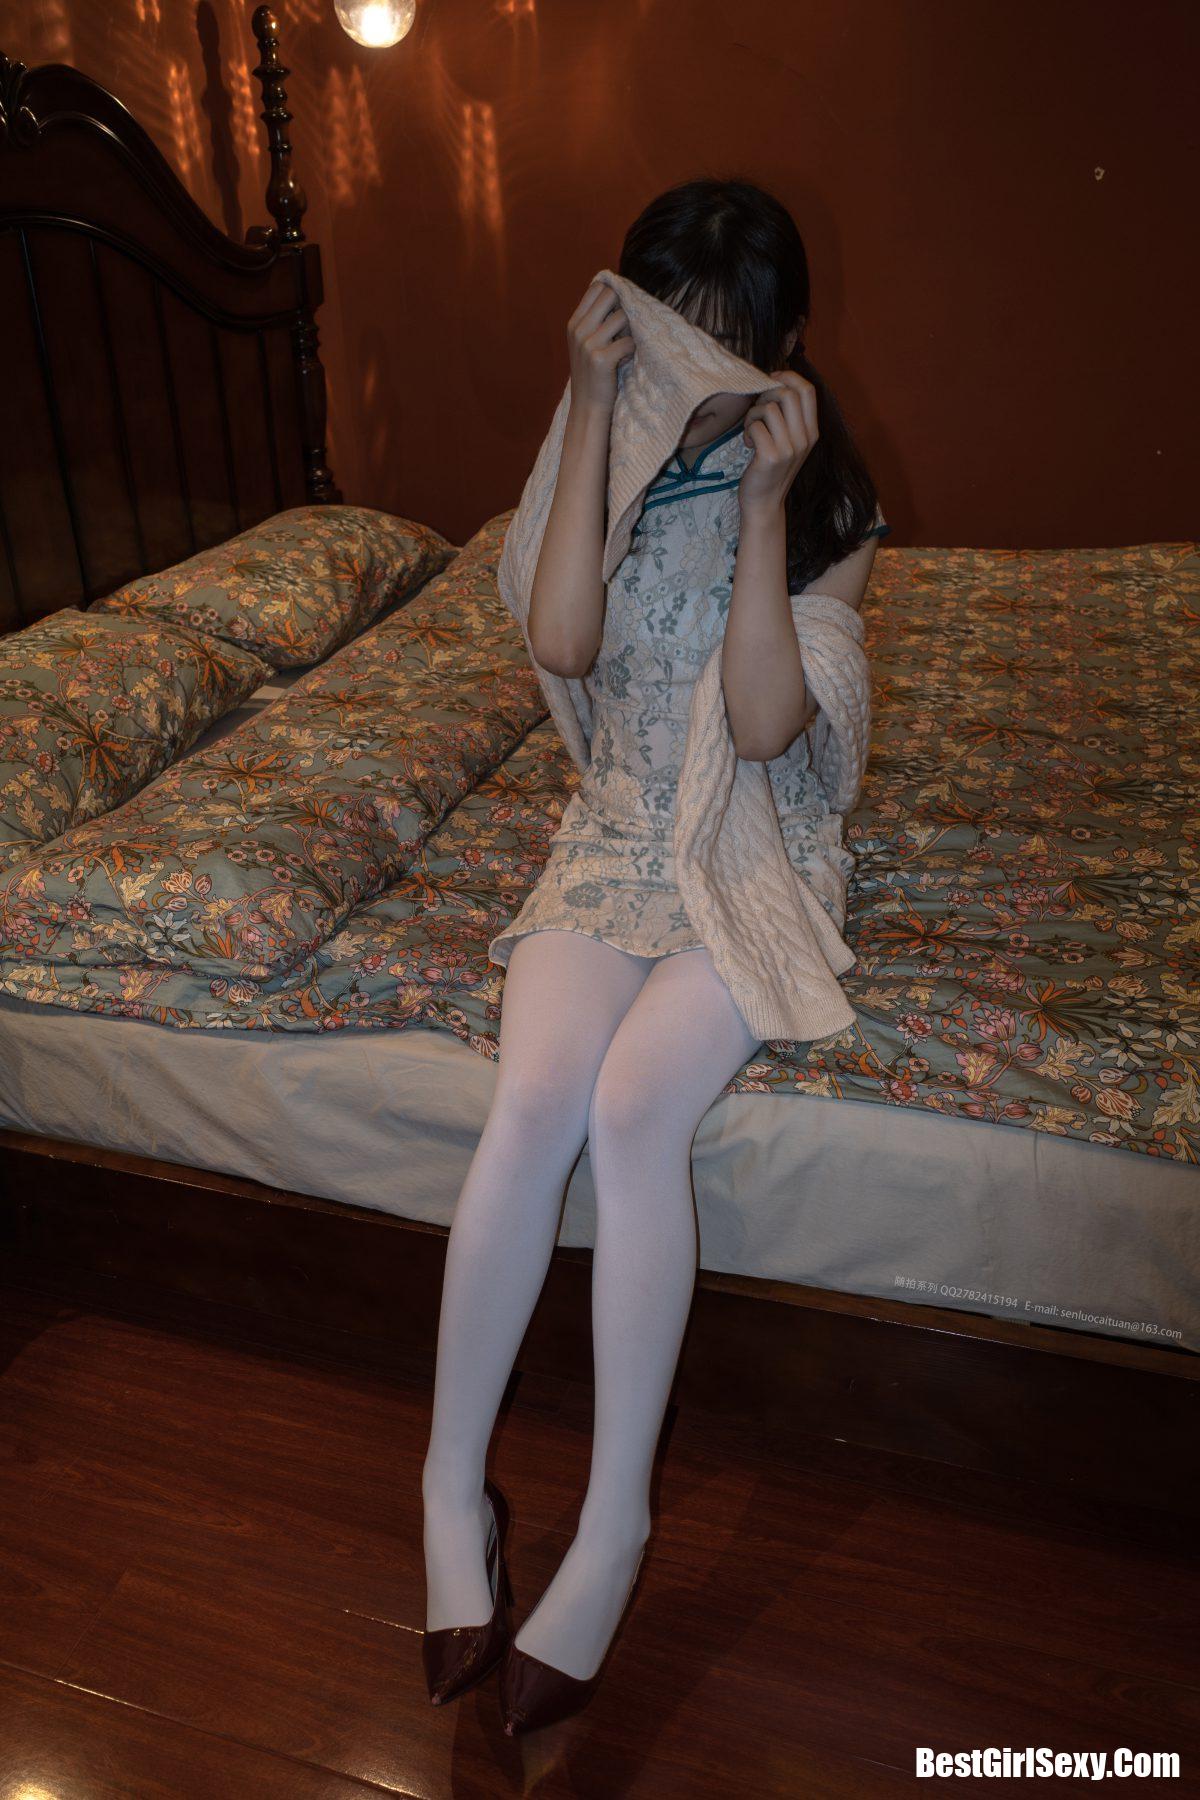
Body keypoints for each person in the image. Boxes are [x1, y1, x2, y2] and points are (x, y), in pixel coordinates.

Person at [420, 176, 889, 1733]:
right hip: (616, 832)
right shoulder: (603, 440)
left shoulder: (829, 503)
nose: (694, 377)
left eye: (725, 347)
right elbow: (560, 644)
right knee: (532, 1100)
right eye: (667, 336)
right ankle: (450, 1488)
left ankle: (614, 1524)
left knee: (632, 1111)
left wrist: (760, 511)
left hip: (751, 846)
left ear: (784, 348)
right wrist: (588, 398)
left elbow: (763, 726)